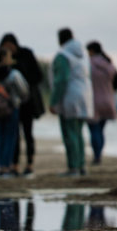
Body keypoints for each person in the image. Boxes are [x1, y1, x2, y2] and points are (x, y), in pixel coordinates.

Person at [0, 33, 45, 178]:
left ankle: (30, 164)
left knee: (28, 133)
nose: (7, 49)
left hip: (28, 102)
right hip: (12, 104)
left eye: (8, 46)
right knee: (15, 135)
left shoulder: (26, 54)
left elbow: (38, 76)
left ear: (13, 44)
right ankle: (15, 165)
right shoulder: (3, 61)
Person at [49, 28, 93, 177]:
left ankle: (73, 167)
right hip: (85, 95)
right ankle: (81, 166)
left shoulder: (63, 55)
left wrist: (54, 100)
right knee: (79, 132)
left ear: (60, 40)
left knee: (69, 132)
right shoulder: (83, 55)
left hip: (70, 97)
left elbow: (61, 79)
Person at [0, 48, 29, 178]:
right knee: (10, 137)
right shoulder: (12, 73)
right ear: (4, 57)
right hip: (11, 107)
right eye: (9, 56)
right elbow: (24, 91)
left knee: (1, 138)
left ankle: (1, 167)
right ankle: (7, 167)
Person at [86, 41, 117, 165]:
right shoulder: (109, 65)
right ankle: (99, 154)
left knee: (94, 129)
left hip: (93, 101)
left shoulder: (89, 64)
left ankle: (96, 156)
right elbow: (116, 85)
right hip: (107, 100)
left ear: (92, 51)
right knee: (101, 130)